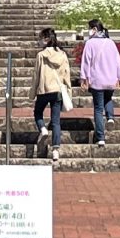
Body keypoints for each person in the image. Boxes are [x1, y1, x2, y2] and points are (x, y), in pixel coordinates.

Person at [78, 20, 120, 146]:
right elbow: (117, 61)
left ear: (94, 29)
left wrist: (84, 78)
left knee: (98, 108)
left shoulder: (90, 43)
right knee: (108, 99)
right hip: (110, 79)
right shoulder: (110, 42)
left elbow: (86, 62)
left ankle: (100, 137)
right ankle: (110, 117)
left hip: (97, 80)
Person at [31, 26, 73, 165]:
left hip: (44, 90)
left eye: (40, 38)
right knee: (56, 121)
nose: (39, 41)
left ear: (46, 39)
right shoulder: (62, 55)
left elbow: (36, 76)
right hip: (58, 91)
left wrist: (32, 93)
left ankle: (43, 129)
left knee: (38, 113)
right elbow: (67, 74)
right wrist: (69, 91)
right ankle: (55, 149)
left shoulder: (41, 55)